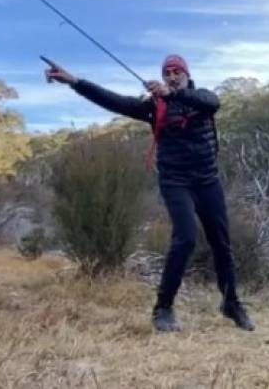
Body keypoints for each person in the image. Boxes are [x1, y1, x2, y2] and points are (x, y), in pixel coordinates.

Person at [44, 54, 254, 332]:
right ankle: (163, 309)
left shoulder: (200, 99)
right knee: (186, 238)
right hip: (175, 182)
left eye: (177, 70)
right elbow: (114, 101)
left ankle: (231, 304)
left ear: (186, 75)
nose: (172, 74)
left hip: (208, 181)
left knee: (221, 244)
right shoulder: (154, 108)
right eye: (167, 72)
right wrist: (74, 82)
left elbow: (213, 103)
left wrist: (173, 93)